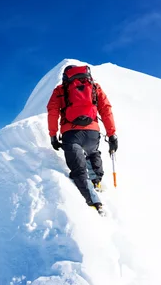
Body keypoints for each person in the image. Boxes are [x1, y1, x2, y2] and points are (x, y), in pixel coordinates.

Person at [46, 64, 118, 216]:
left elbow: (52, 111)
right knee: (92, 153)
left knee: (78, 170)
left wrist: (53, 135)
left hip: (71, 133)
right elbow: (106, 109)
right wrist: (112, 134)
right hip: (92, 132)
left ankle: (94, 203)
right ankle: (96, 180)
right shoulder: (94, 86)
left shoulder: (60, 90)